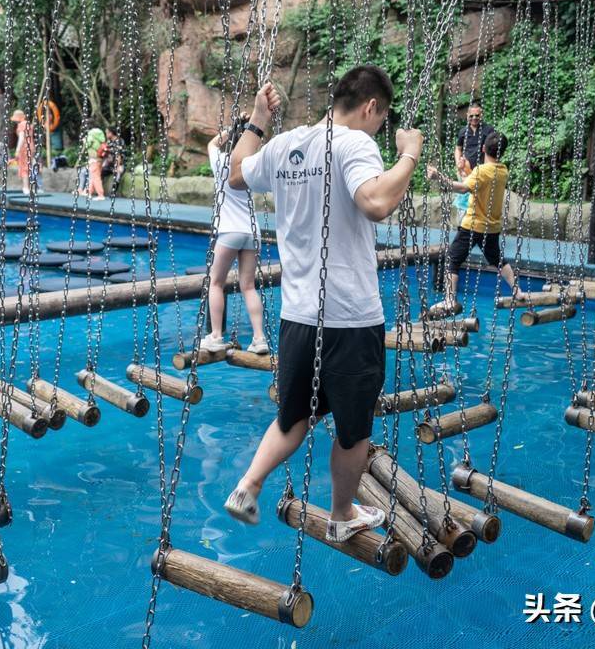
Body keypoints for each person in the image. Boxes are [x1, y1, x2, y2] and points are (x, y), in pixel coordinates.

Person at [223, 66, 424, 541]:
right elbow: (375, 201)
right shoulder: (355, 142)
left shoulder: (287, 144)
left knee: (294, 416)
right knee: (354, 431)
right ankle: (340, 517)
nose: (378, 127)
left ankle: (247, 488)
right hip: (351, 320)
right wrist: (409, 155)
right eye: (381, 118)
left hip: (298, 317)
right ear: (371, 107)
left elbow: (235, 174)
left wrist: (256, 121)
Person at [427, 131, 524, 309]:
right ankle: (517, 292)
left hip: (473, 226)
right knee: (498, 259)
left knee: (452, 259)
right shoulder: (502, 171)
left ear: (483, 148)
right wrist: (467, 170)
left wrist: (438, 177)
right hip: (492, 227)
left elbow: (464, 188)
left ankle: (449, 300)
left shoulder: (482, 171)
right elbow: (478, 182)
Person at [200, 118, 269, 355]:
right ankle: (259, 338)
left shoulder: (220, 160)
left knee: (215, 282)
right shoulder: (250, 165)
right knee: (248, 286)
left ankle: (216, 335)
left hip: (229, 231)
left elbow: (212, 144)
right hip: (251, 231)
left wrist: (233, 128)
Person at [78, 126, 106, 200]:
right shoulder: (100, 135)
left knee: (96, 177)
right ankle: (89, 192)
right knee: (93, 177)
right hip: (99, 159)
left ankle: (101, 195)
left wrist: (84, 141)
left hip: (94, 159)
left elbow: (88, 144)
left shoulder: (91, 135)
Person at [13, 109, 36, 195]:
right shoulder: (29, 124)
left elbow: (22, 138)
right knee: (29, 167)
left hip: (24, 148)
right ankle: (31, 187)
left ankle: (26, 187)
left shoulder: (22, 125)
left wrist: (17, 150)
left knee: (24, 168)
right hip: (31, 146)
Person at [100, 126, 125, 196]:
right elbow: (105, 154)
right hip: (109, 164)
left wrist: (117, 166)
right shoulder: (108, 142)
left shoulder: (120, 141)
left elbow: (119, 155)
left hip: (119, 163)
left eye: (107, 133)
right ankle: (99, 190)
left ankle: (113, 192)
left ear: (111, 133)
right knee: (100, 172)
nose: (106, 134)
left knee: (118, 173)